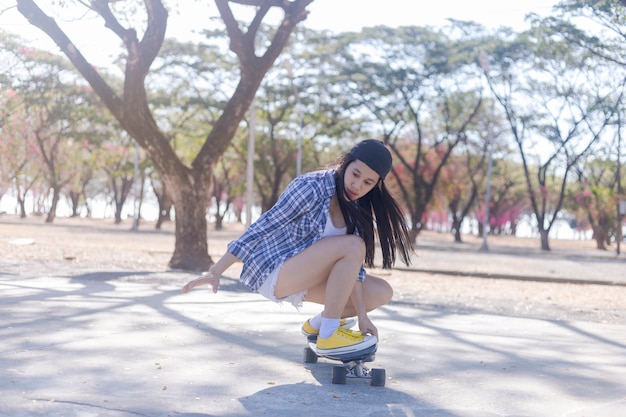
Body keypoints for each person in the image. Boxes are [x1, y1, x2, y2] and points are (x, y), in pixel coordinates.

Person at [182, 139, 413, 356]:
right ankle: (329, 336)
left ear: (375, 185)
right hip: (275, 271)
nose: (357, 185)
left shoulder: (358, 209)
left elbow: (354, 271)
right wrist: (216, 270)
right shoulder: (312, 187)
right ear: (346, 163)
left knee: (382, 292)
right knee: (354, 245)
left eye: (367, 183)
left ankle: (317, 326)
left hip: (307, 278)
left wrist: (363, 316)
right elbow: (264, 225)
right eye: (355, 174)